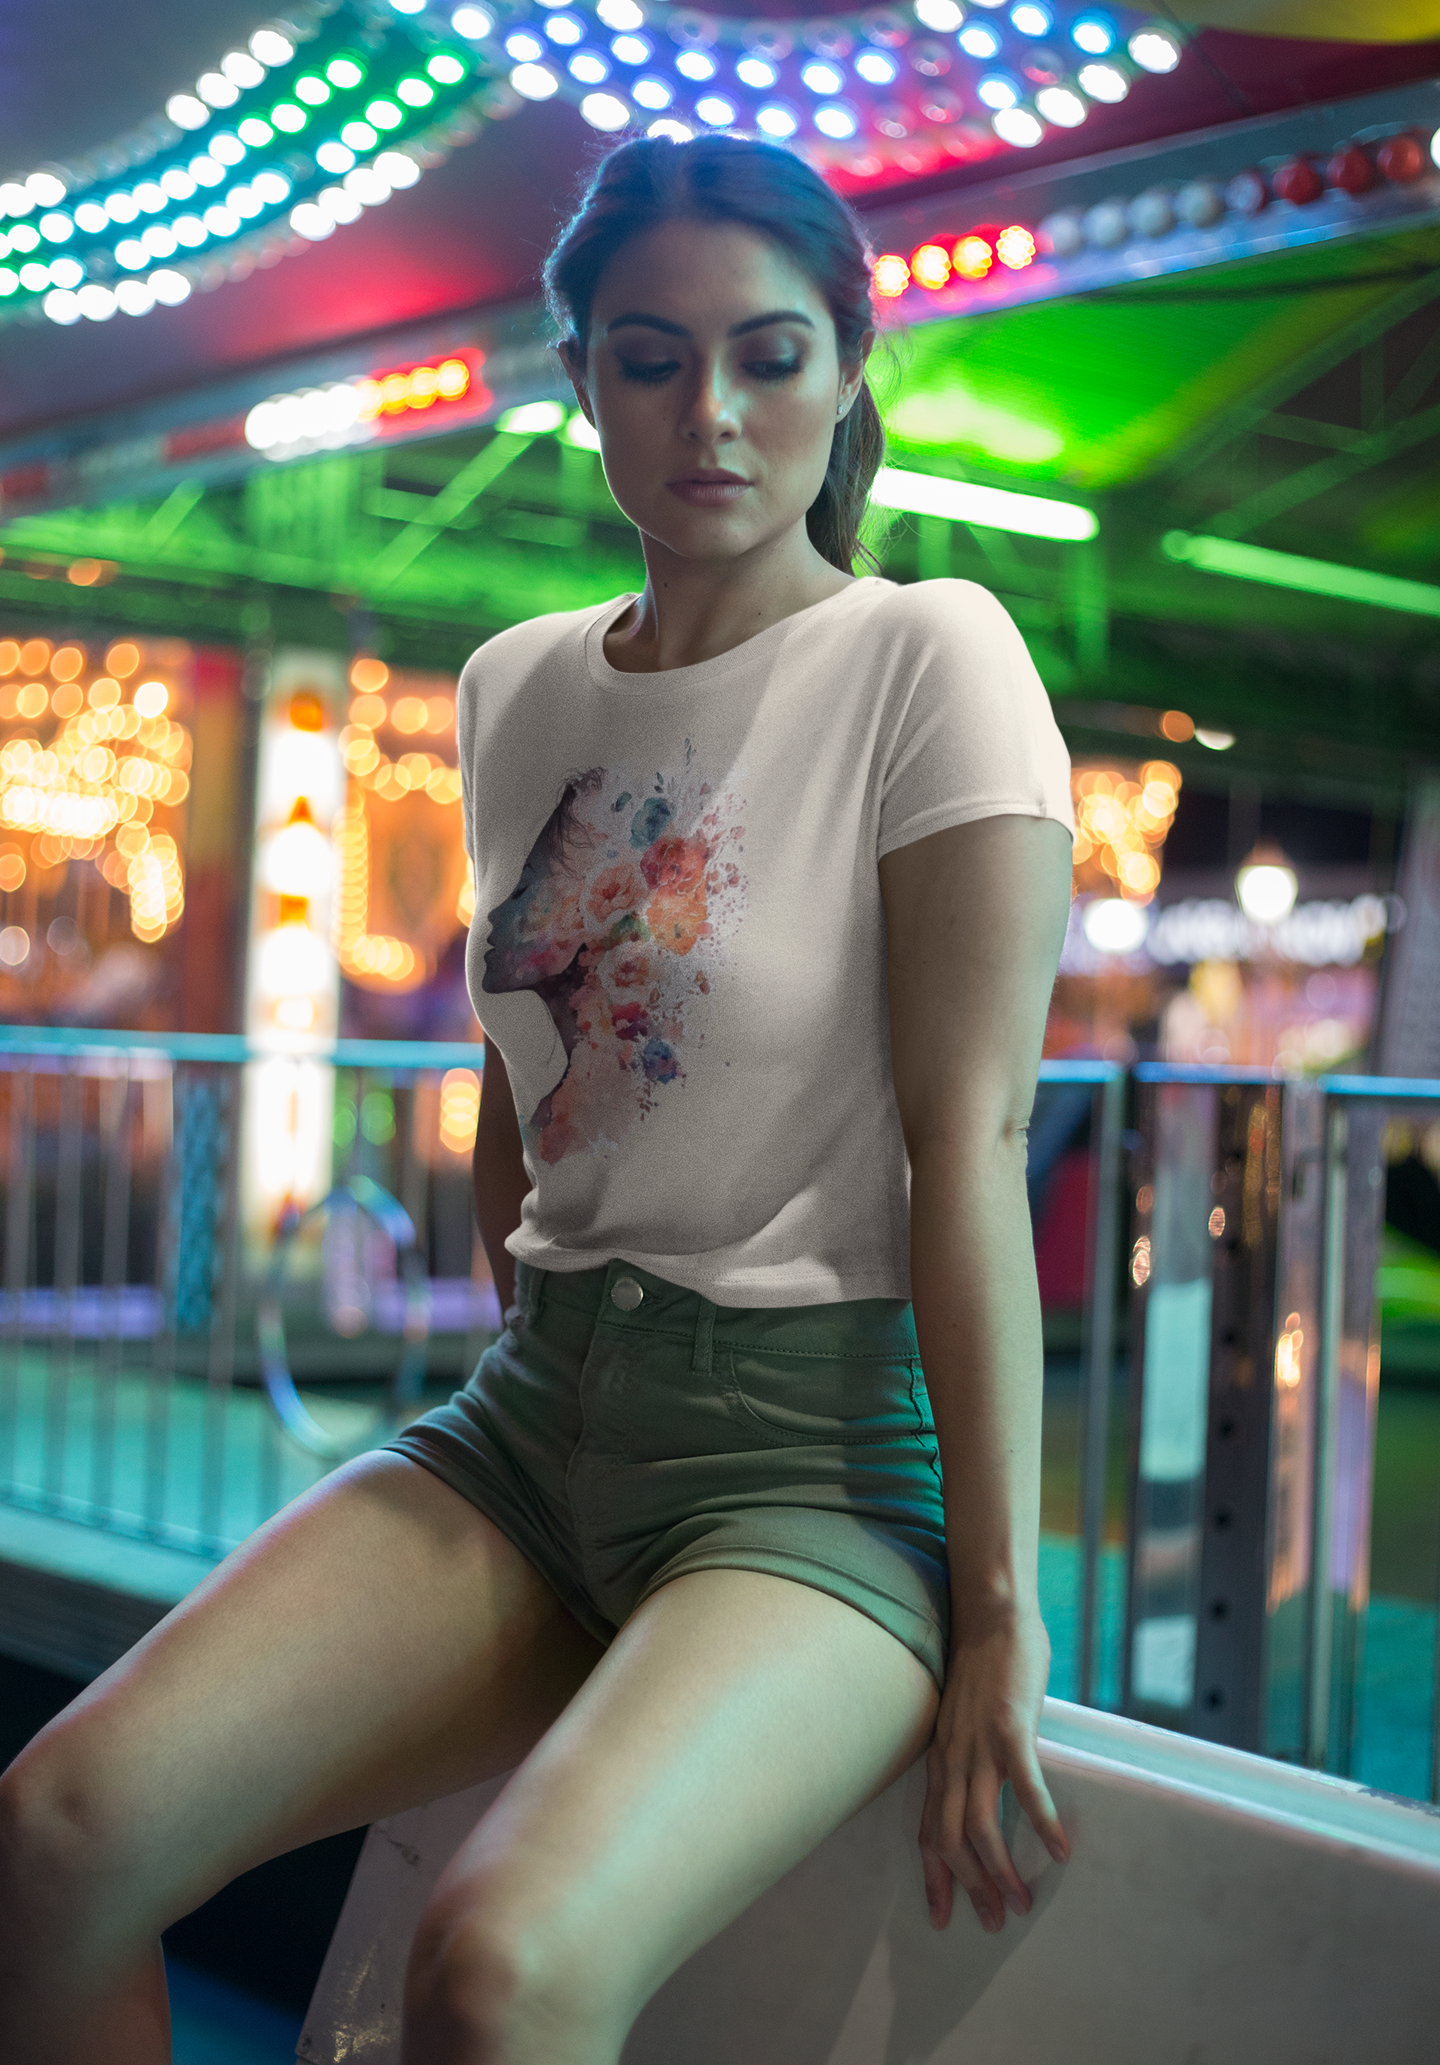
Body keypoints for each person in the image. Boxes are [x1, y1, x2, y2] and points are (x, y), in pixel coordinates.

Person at [0, 134, 1075, 2064]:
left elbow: (972, 1140)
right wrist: (551, 1340)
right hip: (535, 1418)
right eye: (652, 358)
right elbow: (530, 1090)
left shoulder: (931, 653)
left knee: (496, 1970)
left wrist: (997, 1608)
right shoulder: (514, 688)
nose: (714, 416)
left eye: (768, 355)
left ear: (846, 368)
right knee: (56, 1835)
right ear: (579, 375)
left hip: (813, 1470)